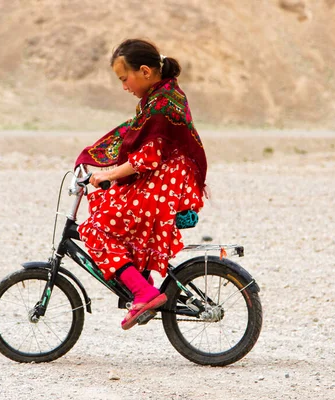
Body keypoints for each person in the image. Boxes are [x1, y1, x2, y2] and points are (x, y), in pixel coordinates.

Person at [75, 39, 207, 330]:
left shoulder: (160, 106)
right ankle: (142, 279)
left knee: (95, 229)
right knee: (110, 210)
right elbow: (128, 134)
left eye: (124, 78)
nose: (124, 86)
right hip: (166, 185)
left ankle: (143, 292)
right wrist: (94, 157)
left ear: (145, 71)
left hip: (162, 188)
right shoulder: (161, 97)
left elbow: (146, 157)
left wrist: (108, 175)